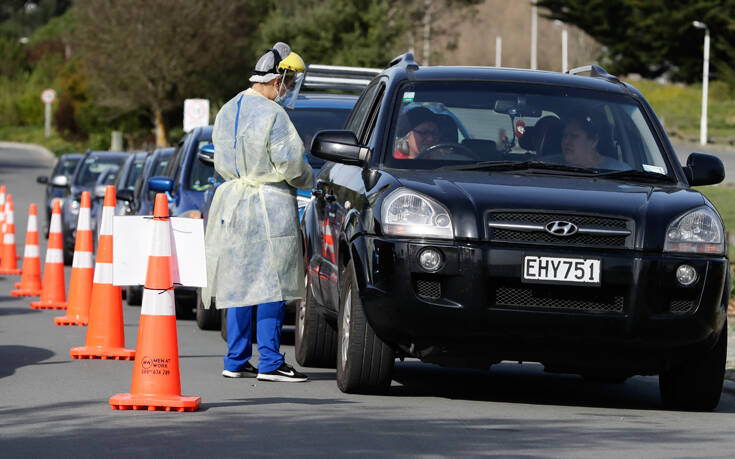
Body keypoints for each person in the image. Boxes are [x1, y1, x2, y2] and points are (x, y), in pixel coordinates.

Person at [203, 42, 313, 382]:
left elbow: (221, 159)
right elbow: (291, 163)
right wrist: (311, 179)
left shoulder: (228, 109)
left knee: (239, 282)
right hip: (270, 205)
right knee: (272, 284)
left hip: (232, 204)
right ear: (276, 79)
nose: (290, 88)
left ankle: (235, 359)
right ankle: (269, 360)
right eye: (289, 81)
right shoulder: (273, 114)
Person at [559, 112, 626, 170]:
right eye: (564, 135)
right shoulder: (551, 166)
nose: (566, 141)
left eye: (574, 136)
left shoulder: (620, 171)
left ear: (594, 141)